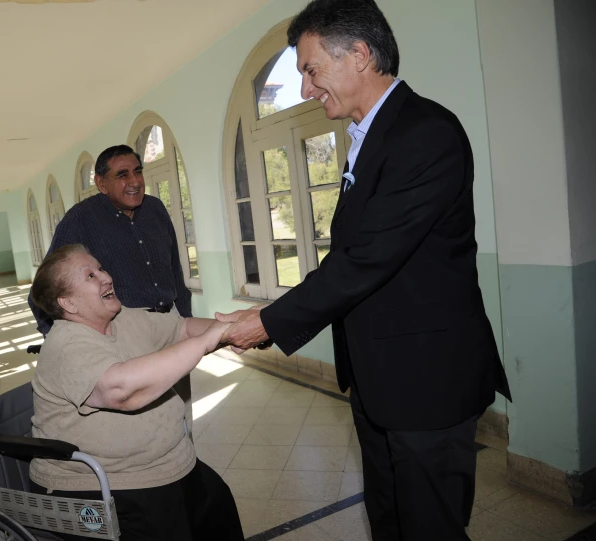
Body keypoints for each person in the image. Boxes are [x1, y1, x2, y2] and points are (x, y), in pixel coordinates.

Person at [216, 1, 511, 540]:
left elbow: (367, 259)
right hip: (381, 381)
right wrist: (270, 313)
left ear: (360, 54)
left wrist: (268, 321)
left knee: (430, 526)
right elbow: (351, 257)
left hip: (427, 383)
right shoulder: (368, 137)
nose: (306, 88)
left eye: (310, 69)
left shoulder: (424, 133)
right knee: (390, 518)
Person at [28, 244, 243, 541]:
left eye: (101, 268)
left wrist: (236, 327)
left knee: (218, 507)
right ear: (68, 303)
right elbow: (122, 391)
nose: (106, 277)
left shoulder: (122, 318)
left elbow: (182, 328)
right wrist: (209, 340)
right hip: (107, 481)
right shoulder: (66, 345)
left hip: (169, 462)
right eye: (90, 276)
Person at [28, 145, 195, 434]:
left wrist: (186, 322)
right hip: (125, 337)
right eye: (122, 174)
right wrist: (67, 341)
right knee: (141, 426)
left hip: (170, 329)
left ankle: (182, 467)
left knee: (179, 418)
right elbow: (43, 291)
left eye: (138, 171)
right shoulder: (80, 220)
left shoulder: (155, 209)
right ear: (101, 183)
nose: (134, 181)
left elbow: (175, 271)